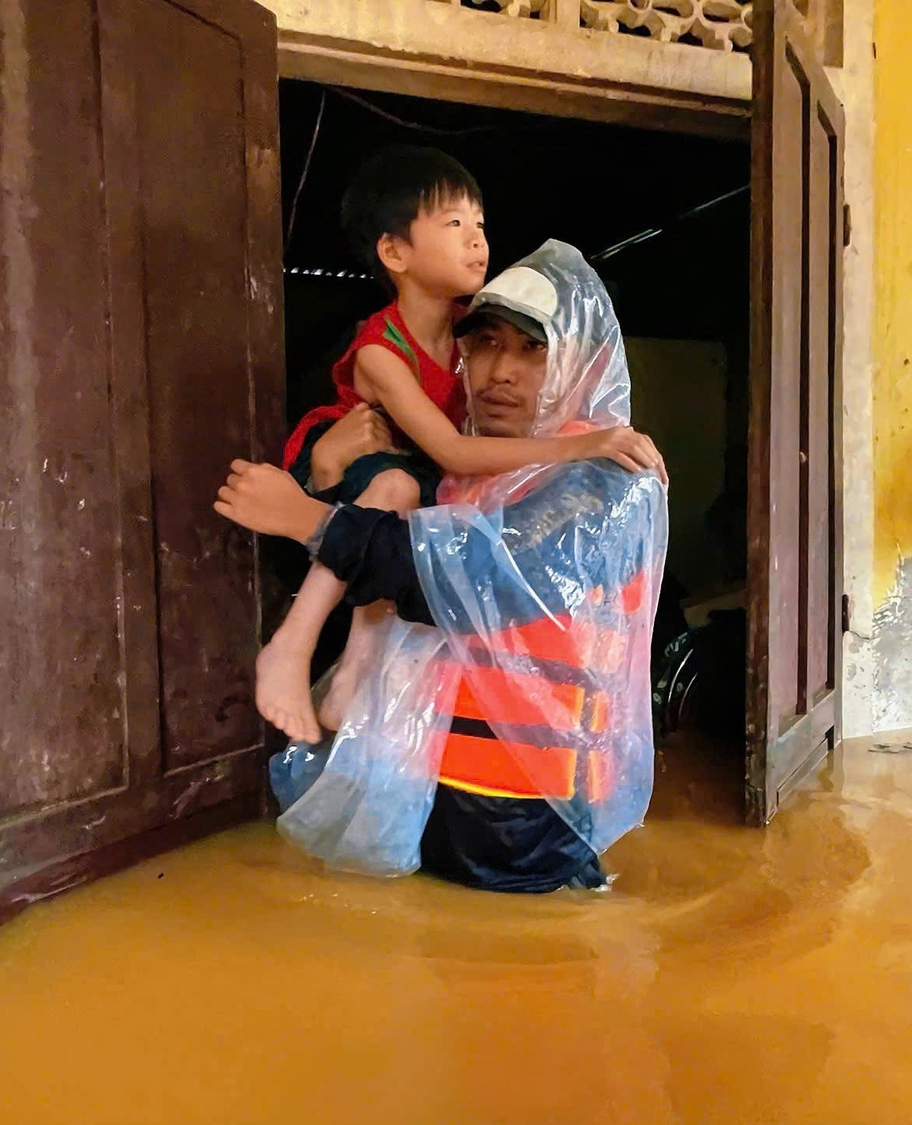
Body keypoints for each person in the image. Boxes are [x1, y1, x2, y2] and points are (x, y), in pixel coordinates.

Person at [219, 241, 668, 892]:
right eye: (485, 344)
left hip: (526, 827)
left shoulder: (608, 479)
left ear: (584, 361)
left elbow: (477, 579)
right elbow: (360, 578)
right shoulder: (468, 475)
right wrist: (322, 475)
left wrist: (307, 518)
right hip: (418, 799)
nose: (500, 371)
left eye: (531, 349)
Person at [261, 146, 664, 745]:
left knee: (412, 514)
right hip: (376, 458)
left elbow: (455, 561)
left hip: (532, 761)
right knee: (398, 496)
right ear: (395, 252)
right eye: (455, 225)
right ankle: (292, 648)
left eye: (480, 225)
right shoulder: (381, 349)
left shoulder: (471, 329)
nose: (477, 241)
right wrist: (320, 478)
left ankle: (350, 676)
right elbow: (450, 453)